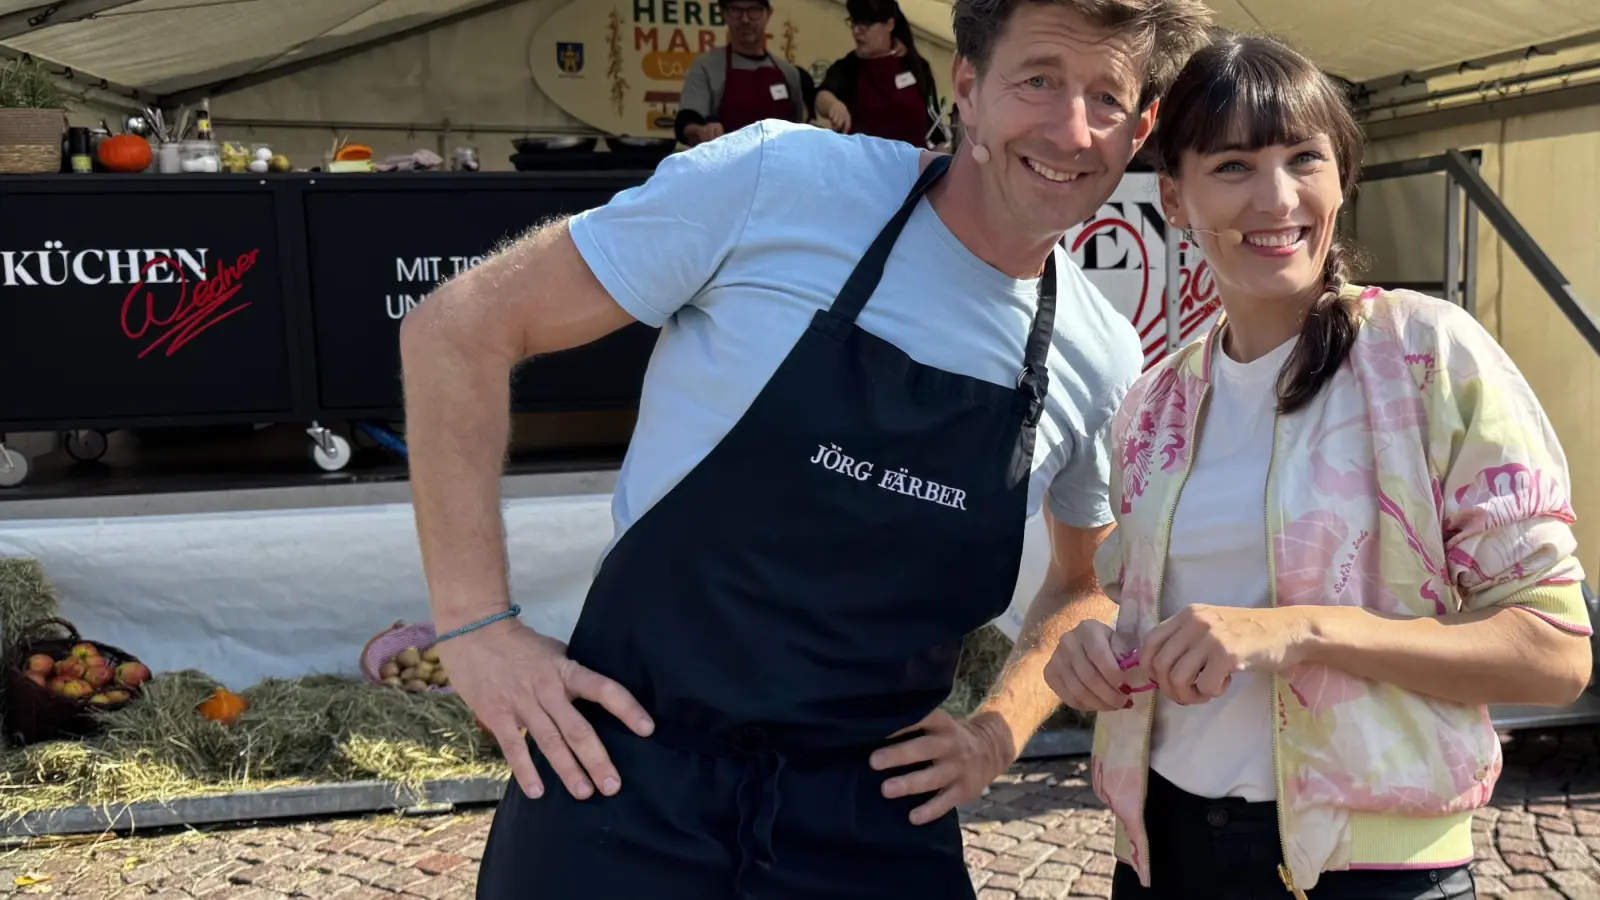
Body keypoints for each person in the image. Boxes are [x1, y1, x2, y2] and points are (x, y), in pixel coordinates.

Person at [398, 0, 1212, 896]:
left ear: (1140, 133)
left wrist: (997, 731)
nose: (1069, 127)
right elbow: (459, 328)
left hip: (871, 828)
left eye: (1106, 97)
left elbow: (1084, 583)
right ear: (970, 90)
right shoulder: (781, 182)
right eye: (1039, 80)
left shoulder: (1099, 354)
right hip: (619, 788)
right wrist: (474, 628)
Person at [1043, 32, 1594, 900]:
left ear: (1342, 177)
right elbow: (1137, 605)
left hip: (1372, 872)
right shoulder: (1154, 407)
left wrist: (1295, 628)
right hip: (1162, 856)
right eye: (1232, 166)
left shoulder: (1425, 357)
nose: (1278, 197)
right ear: (1174, 197)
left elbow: (1551, 653)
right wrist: (1094, 651)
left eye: (1306, 158)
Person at [675, 0, 811, 148]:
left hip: (780, 168)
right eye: (736, 11)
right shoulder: (706, 66)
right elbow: (686, 122)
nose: (745, 19)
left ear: (768, 14)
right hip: (726, 168)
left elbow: (797, 129)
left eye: (754, 10)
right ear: (724, 14)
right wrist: (702, 131)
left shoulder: (789, 73)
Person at [816, 0, 949, 148]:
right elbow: (822, 96)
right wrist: (834, 105)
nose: (856, 31)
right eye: (854, 22)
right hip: (863, 165)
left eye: (865, 24)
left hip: (912, 165)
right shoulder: (849, 66)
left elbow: (935, 127)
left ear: (889, 24)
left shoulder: (917, 66)